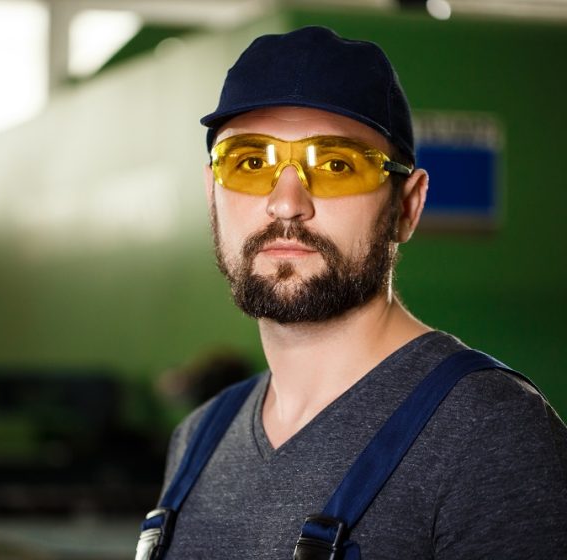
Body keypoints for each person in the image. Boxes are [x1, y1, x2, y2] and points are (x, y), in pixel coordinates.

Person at [139, 26, 567, 559]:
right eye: (251, 163)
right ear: (212, 193)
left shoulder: (491, 435)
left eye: (337, 165)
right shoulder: (197, 441)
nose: (286, 203)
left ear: (407, 206)